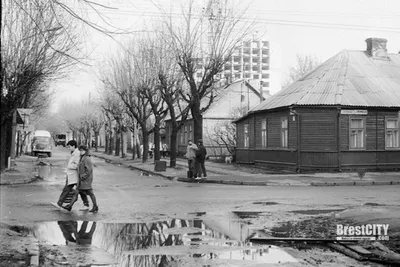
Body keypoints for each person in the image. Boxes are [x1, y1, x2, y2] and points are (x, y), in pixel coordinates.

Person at [56, 140, 89, 211]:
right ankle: (86, 204)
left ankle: (59, 203)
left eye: (69, 146)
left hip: (74, 175)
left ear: (74, 146)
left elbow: (77, 165)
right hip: (71, 174)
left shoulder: (77, 153)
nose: (68, 148)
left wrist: (69, 166)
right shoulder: (73, 153)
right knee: (80, 190)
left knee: (67, 189)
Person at [75, 144, 98, 212]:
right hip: (83, 179)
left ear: (85, 151)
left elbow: (89, 169)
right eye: (80, 150)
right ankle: (87, 205)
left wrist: (83, 176)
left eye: (82, 150)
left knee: (90, 192)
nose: (81, 152)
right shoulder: (82, 157)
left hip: (86, 179)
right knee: (82, 191)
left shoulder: (87, 158)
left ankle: (94, 206)